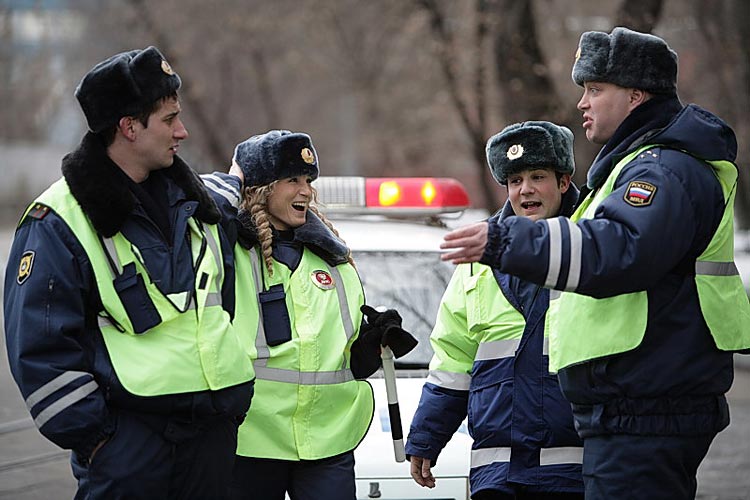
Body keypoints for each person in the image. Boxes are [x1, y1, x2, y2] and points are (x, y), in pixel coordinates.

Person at [439, 27, 750, 499]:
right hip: (634, 409)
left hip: (646, 409)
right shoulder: (638, 166)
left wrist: (506, 240)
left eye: (594, 89)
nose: (582, 102)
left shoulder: (661, 169)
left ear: (635, 95)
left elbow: (615, 250)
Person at [3, 47, 256, 499]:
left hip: (211, 442)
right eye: (169, 119)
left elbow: (224, 305)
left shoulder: (198, 207)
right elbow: (39, 352)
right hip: (128, 450)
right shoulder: (57, 219)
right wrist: (102, 442)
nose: (183, 131)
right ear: (129, 127)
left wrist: (229, 409)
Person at [227, 130, 417, 500]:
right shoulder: (229, 253)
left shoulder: (335, 259)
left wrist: (369, 345)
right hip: (250, 439)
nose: (305, 191)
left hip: (327, 441)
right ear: (262, 188)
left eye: (308, 181)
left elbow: (340, 357)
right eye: (292, 180)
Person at [406, 121, 584, 500]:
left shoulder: (590, 245)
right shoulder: (477, 257)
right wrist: (426, 436)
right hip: (497, 471)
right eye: (515, 180)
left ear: (564, 181)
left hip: (574, 469)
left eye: (538, 176)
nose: (526, 189)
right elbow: (454, 358)